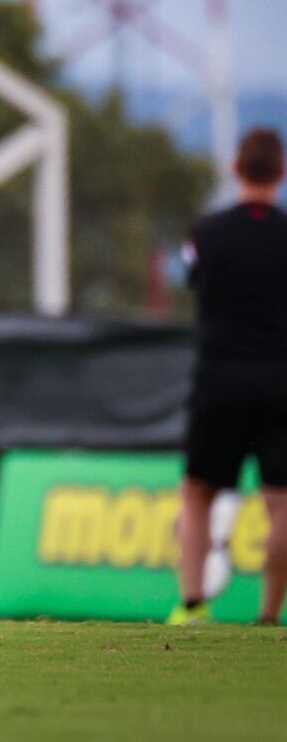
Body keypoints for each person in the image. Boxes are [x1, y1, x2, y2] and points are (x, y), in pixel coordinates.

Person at [169, 127, 287, 626]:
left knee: (198, 494)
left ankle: (193, 606)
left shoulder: (207, 232)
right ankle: (269, 615)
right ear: (280, 174)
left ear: (235, 169)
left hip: (219, 380)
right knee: (281, 503)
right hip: (282, 382)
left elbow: (189, 279)